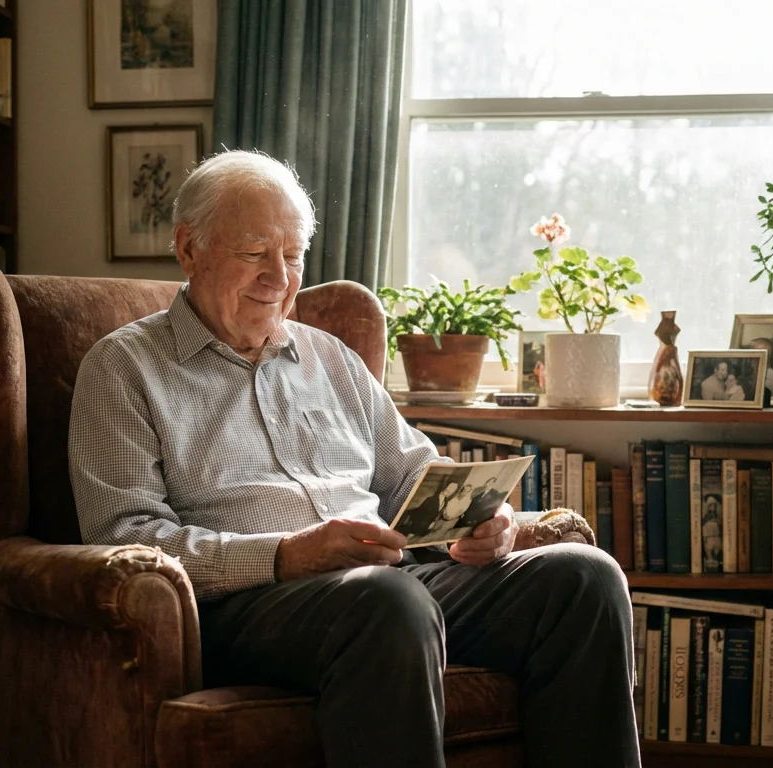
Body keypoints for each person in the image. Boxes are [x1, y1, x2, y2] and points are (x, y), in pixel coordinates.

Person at [68, 150, 639, 767]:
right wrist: (287, 555)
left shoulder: (331, 357)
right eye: (255, 252)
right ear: (188, 248)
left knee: (584, 577)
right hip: (247, 608)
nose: (279, 278)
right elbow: (123, 540)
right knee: (388, 604)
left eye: (292, 256)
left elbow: (411, 476)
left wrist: (479, 518)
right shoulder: (124, 367)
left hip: (390, 588)